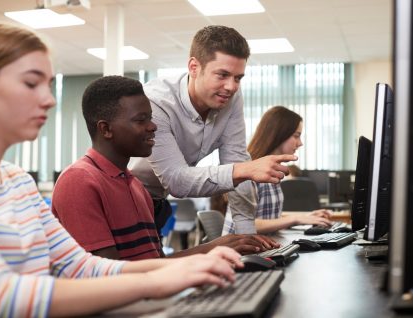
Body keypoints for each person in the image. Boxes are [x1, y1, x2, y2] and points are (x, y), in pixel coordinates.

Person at [0, 22, 243, 317]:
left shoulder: (18, 182)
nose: (49, 99)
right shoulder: (79, 180)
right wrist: (155, 281)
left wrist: (188, 265)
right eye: (31, 83)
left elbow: (81, 266)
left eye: (48, 85)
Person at [52, 75, 279, 261]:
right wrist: (208, 252)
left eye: (150, 118)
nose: (153, 126)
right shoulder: (79, 181)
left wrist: (218, 247)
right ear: (106, 129)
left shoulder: (135, 186)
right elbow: (107, 277)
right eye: (141, 120)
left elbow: (155, 262)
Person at [129, 25, 297, 235]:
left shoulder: (230, 95)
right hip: (124, 201)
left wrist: (248, 237)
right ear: (193, 67)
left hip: (157, 202)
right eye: (222, 75)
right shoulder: (155, 102)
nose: (231, 86)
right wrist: (244, 169)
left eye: (238, 77)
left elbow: (235, 157)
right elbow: (176, 181)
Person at [223, 106, 332, 234]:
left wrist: (306, 217)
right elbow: (243, 225)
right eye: (296, 136)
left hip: (263, 247)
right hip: (238, 252)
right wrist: (295, 219)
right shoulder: (249, 171)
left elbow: (269, 219)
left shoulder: (273, 171)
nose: (300, 143)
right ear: (279, 135)